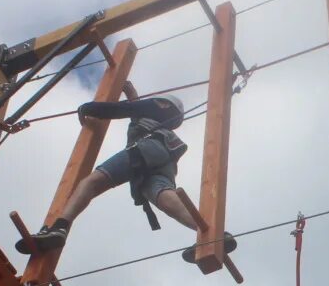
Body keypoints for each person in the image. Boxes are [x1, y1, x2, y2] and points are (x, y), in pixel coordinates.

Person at [17, 94, 235, 262]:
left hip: (147, 149)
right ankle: (212, 233)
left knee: (91, 182)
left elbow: (124, 108)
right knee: (165, 198)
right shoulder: (161, 122)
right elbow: (133, 105)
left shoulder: (151, 108)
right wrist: (130, 91)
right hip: (163, 160)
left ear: (163, 104)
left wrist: (91, 108)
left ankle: (59, 227)